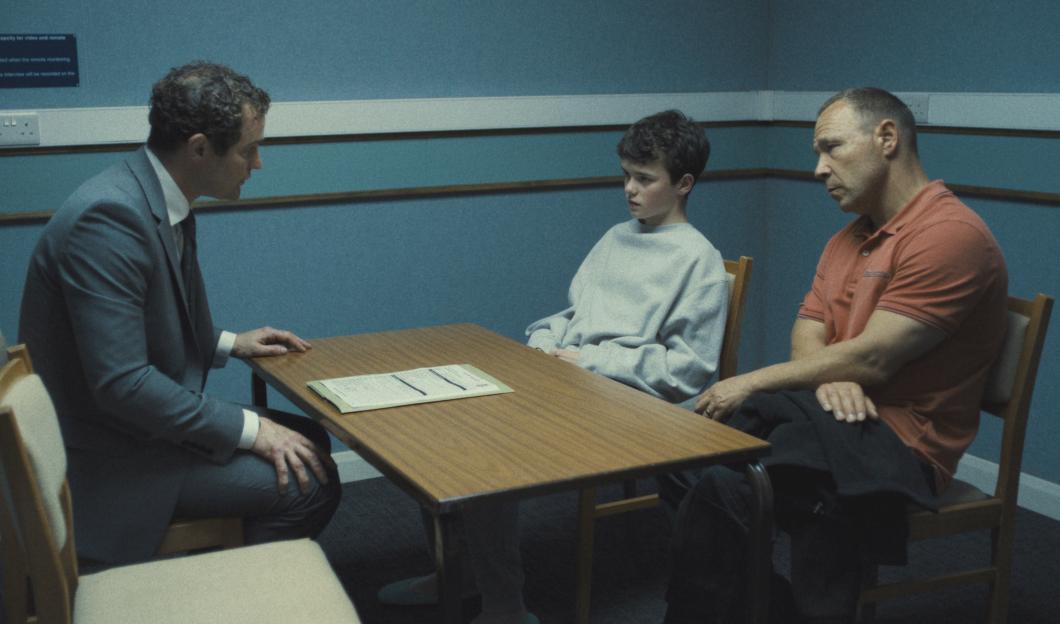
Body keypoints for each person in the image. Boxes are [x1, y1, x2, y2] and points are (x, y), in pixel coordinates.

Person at [662, 87, 1009, 624]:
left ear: (887, 138)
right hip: (831, 415)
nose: (819, 169)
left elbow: (872, 362)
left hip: (900, 442)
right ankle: (773, 607)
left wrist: (753, 381)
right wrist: (826, 382)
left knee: (729, 475)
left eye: (832, 148)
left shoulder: (950, 235)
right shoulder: (846, 239)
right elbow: (807, 334)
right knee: (682, 450)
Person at [378, 109, 729, 624]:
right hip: (572, 380)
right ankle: (460, 570)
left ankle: (505, 606)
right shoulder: (616, 237)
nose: (629, 189)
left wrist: (591, 360)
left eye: (644, 179)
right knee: (442, 425)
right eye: (626, 176)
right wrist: (545, 340)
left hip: (634, 405)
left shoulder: (699, 262)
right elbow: (572, 314)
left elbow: (689, 372)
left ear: (684, 184)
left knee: (485, 454)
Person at [18, 61, 340, 566]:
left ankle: (218, 566)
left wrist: (228, 342)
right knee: (311, 481)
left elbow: (132, 325)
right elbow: (123, 383)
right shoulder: (109, 220)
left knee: (310, 439)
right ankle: (221, 596)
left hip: (128, 429)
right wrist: (255, 432)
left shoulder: (149, 195)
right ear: (198, 148)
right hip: (110, 457)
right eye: (248, 150)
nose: (257, 165)